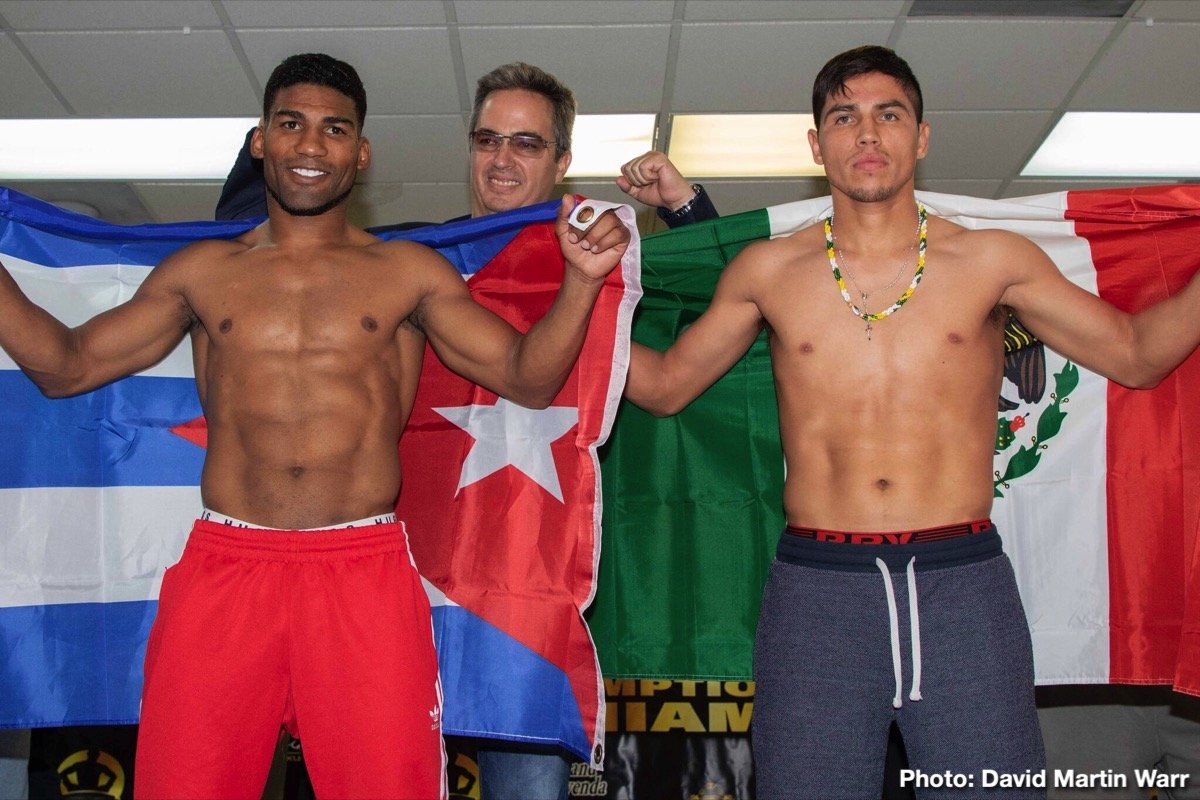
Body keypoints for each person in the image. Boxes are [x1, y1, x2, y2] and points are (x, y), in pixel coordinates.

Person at [0, 53, 630, 800]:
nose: (310, 145)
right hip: (225, 568)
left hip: (362, 570)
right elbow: (66, 367)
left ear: (360, 153)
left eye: (334, 130)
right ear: (261, 140)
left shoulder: (409, 274)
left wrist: (583, 283)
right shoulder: (201, 271)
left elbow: (528, 377)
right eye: (291, 124)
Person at [623, 44, 1200, 799]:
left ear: (921, 137)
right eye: (845, 117)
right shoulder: (767, 270)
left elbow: (1135, 354)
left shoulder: (994, 260)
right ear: (816, 144)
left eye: (888, 115)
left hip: (963, 590)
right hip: (818, 595)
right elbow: (666, 386)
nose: (867, 134)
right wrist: (574, 304)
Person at [213, 62, 713, 800]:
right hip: (384, 588)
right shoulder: (406, 260)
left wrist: (686, 208)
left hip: (517, 599)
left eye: (526, 143)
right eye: (487, 140)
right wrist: (276, 140)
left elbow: (678, 368)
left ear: (562, 162)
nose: (502, 160)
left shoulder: (589, 278)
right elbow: (249, 251)